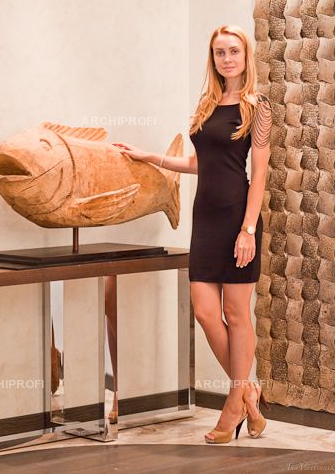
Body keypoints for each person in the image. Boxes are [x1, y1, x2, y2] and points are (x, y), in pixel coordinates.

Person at [112, 24, 272, 444]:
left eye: (233, 51)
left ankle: (233, 405)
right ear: (213, 58)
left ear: (246, 56)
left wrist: (248, 230)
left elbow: (258, 175)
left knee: (237, 313)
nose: (227, 59)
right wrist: (152, 157)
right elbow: (204, 164)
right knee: (204, 311)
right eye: (220, 52)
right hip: (206, 219)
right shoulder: (207, 104)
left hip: (238, 217)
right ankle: (249, 394)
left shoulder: (258, 107)